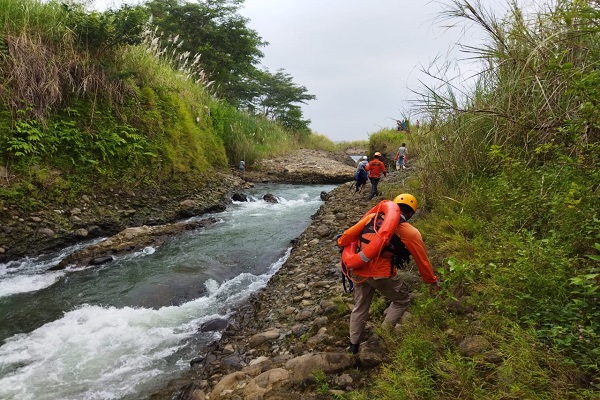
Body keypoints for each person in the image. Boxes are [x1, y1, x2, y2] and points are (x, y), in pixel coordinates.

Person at [337, 194, 441, 354]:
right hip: (381, 275)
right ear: (412, 214)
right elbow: (422, 261)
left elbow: (345, 239)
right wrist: (432, 281)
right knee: (402, 301)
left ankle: (353, 346)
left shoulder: (371, 217)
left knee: (360, 307)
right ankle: (381, 336)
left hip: (358, 270)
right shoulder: (410, 232)